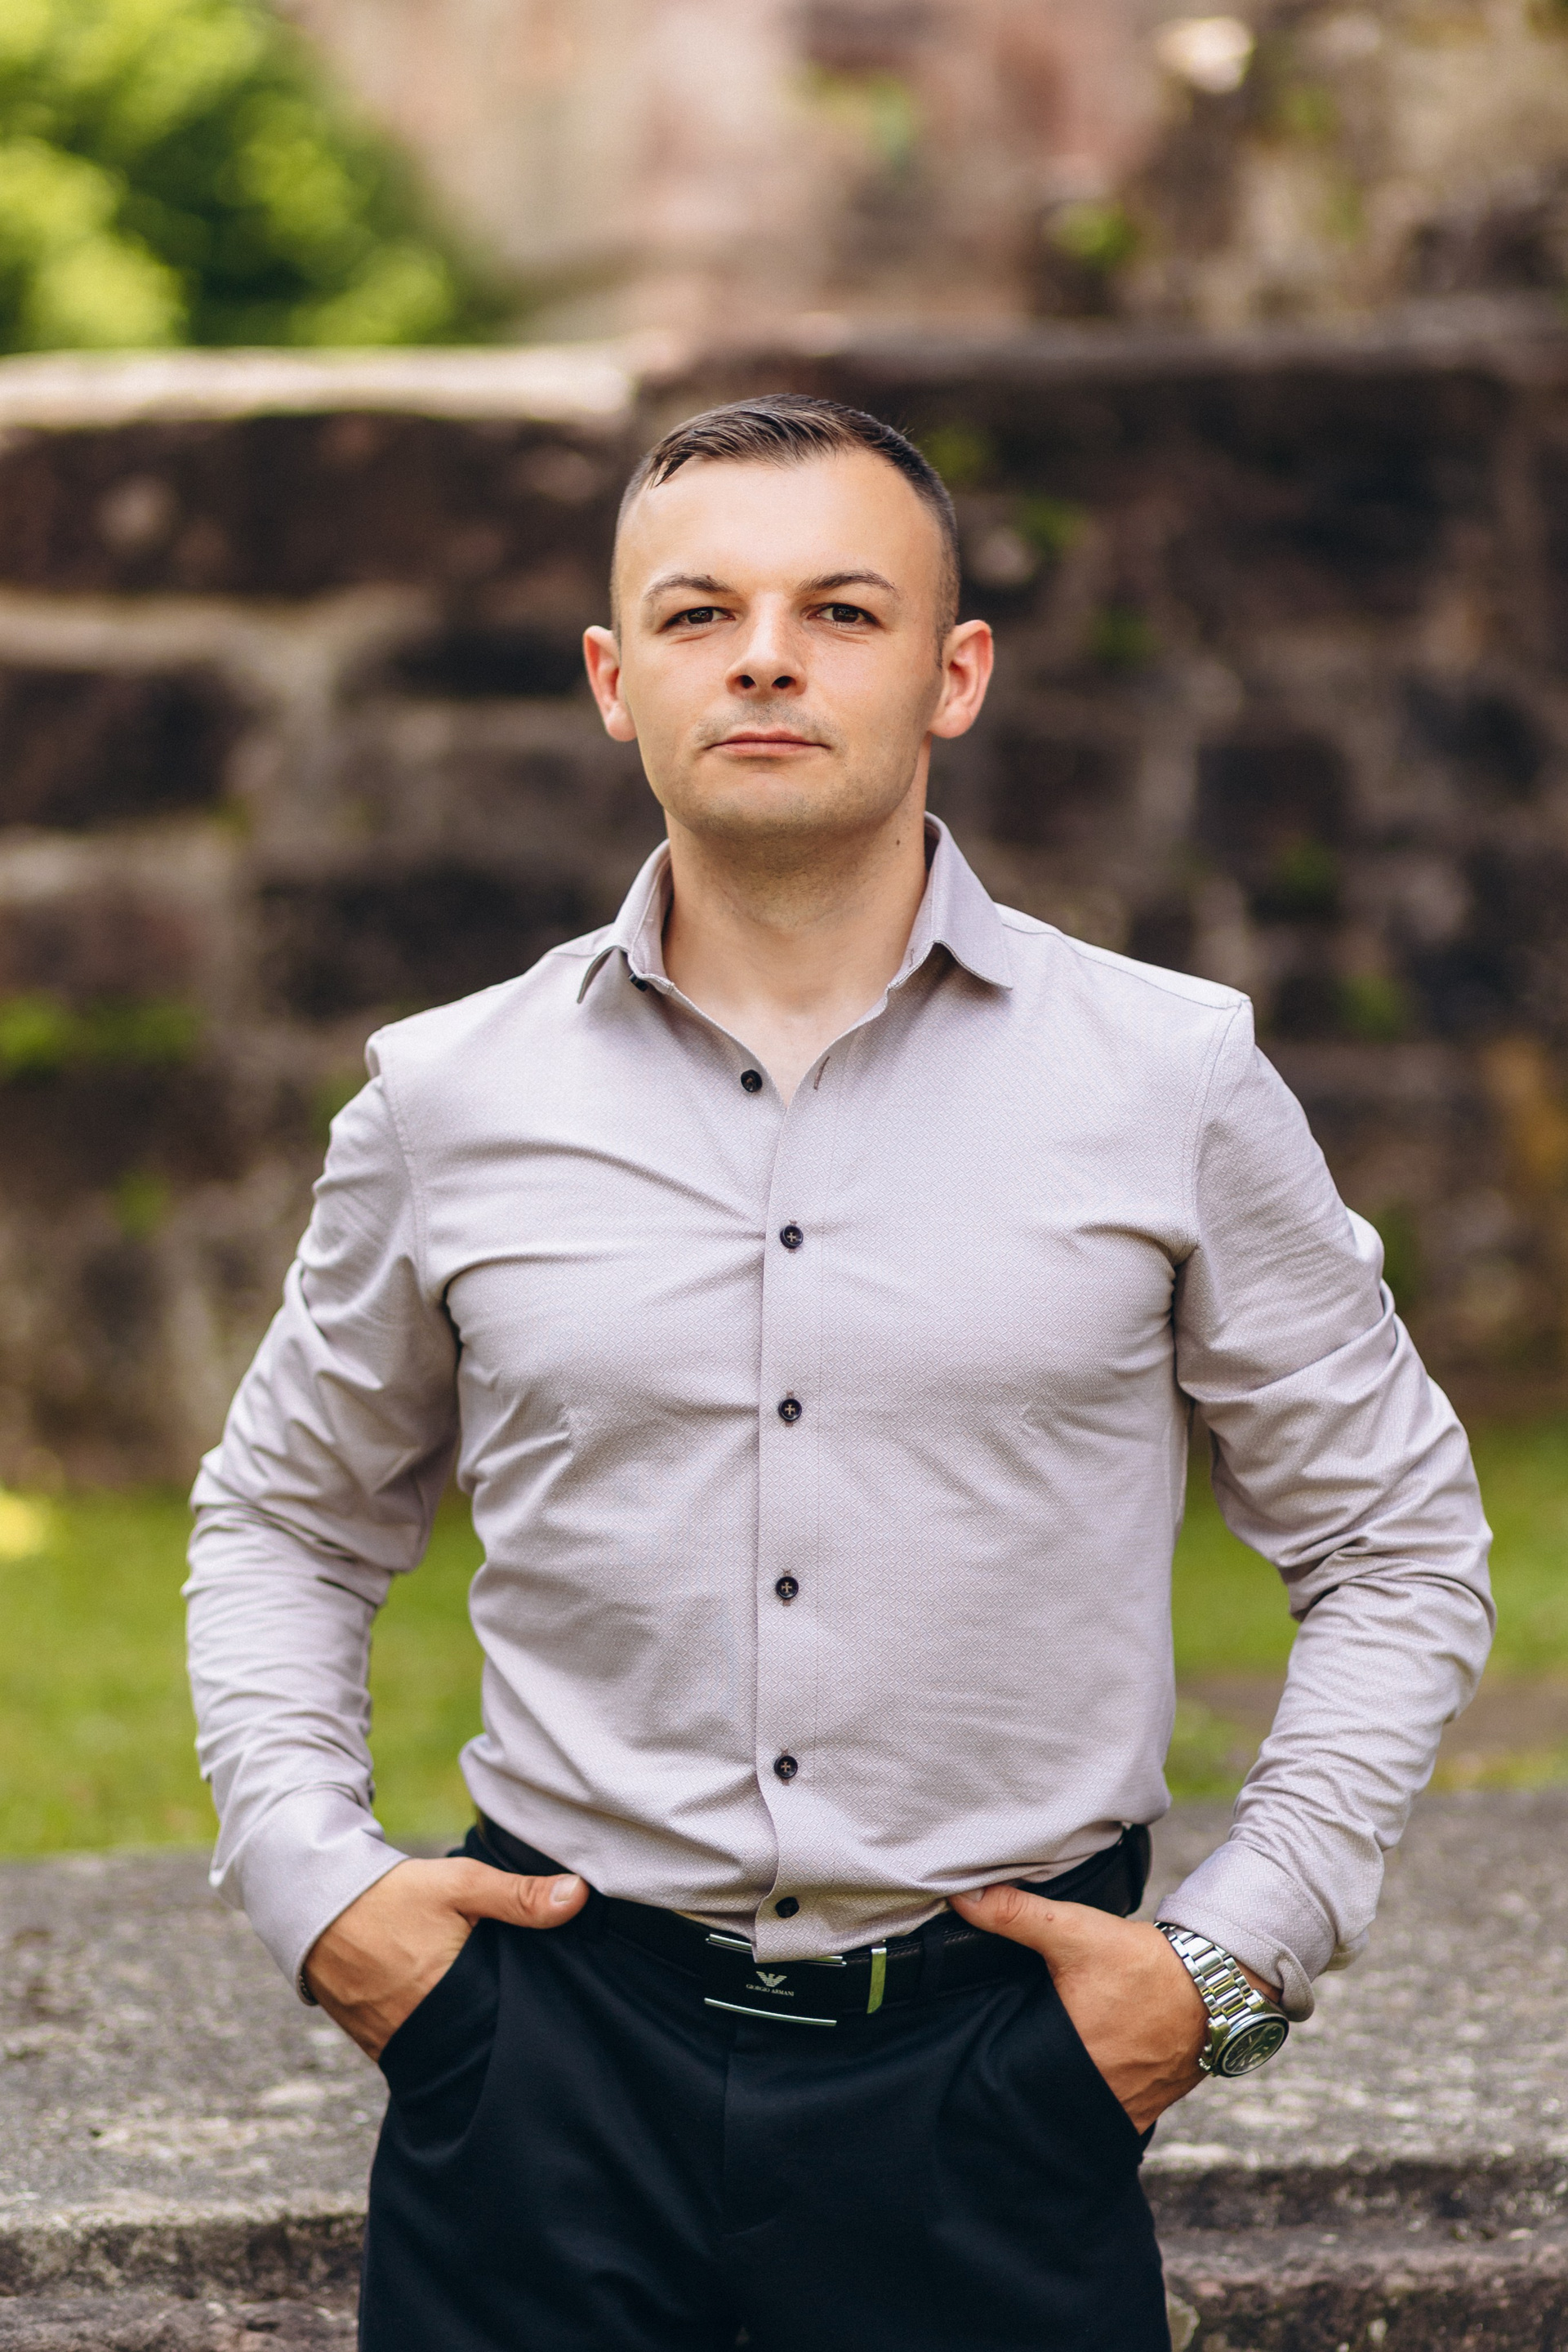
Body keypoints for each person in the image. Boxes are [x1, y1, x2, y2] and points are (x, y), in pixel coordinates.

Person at [185, 394, 1493, 2352]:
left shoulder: (1171, 1078)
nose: (768, 657)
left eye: (843, 610)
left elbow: (1396, 1539)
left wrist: (1230, 1962)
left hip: (1001, 2086)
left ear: (955, 674)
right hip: (540, 2076)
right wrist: (325, 1896)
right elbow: (285, 1520)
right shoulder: (446, 1098)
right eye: (701, 612)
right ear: (614, 682)